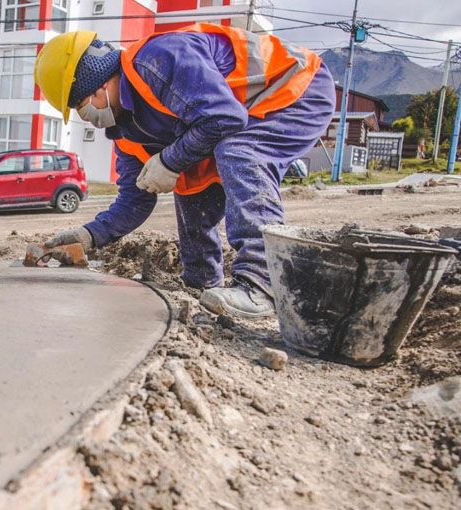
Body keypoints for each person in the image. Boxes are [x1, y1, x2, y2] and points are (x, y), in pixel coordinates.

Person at [34, 24, 335, 319]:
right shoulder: (125, 132)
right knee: (192, 186)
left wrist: (169, 161)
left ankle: (261, 283)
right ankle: (201, 283)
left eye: (82, 106)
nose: (87, 118)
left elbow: (224, 117)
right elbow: (134, 200)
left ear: (99, 83)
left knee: (240, 151)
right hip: (239, 116)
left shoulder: (158, 60)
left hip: (296, 88)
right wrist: (88, 235)